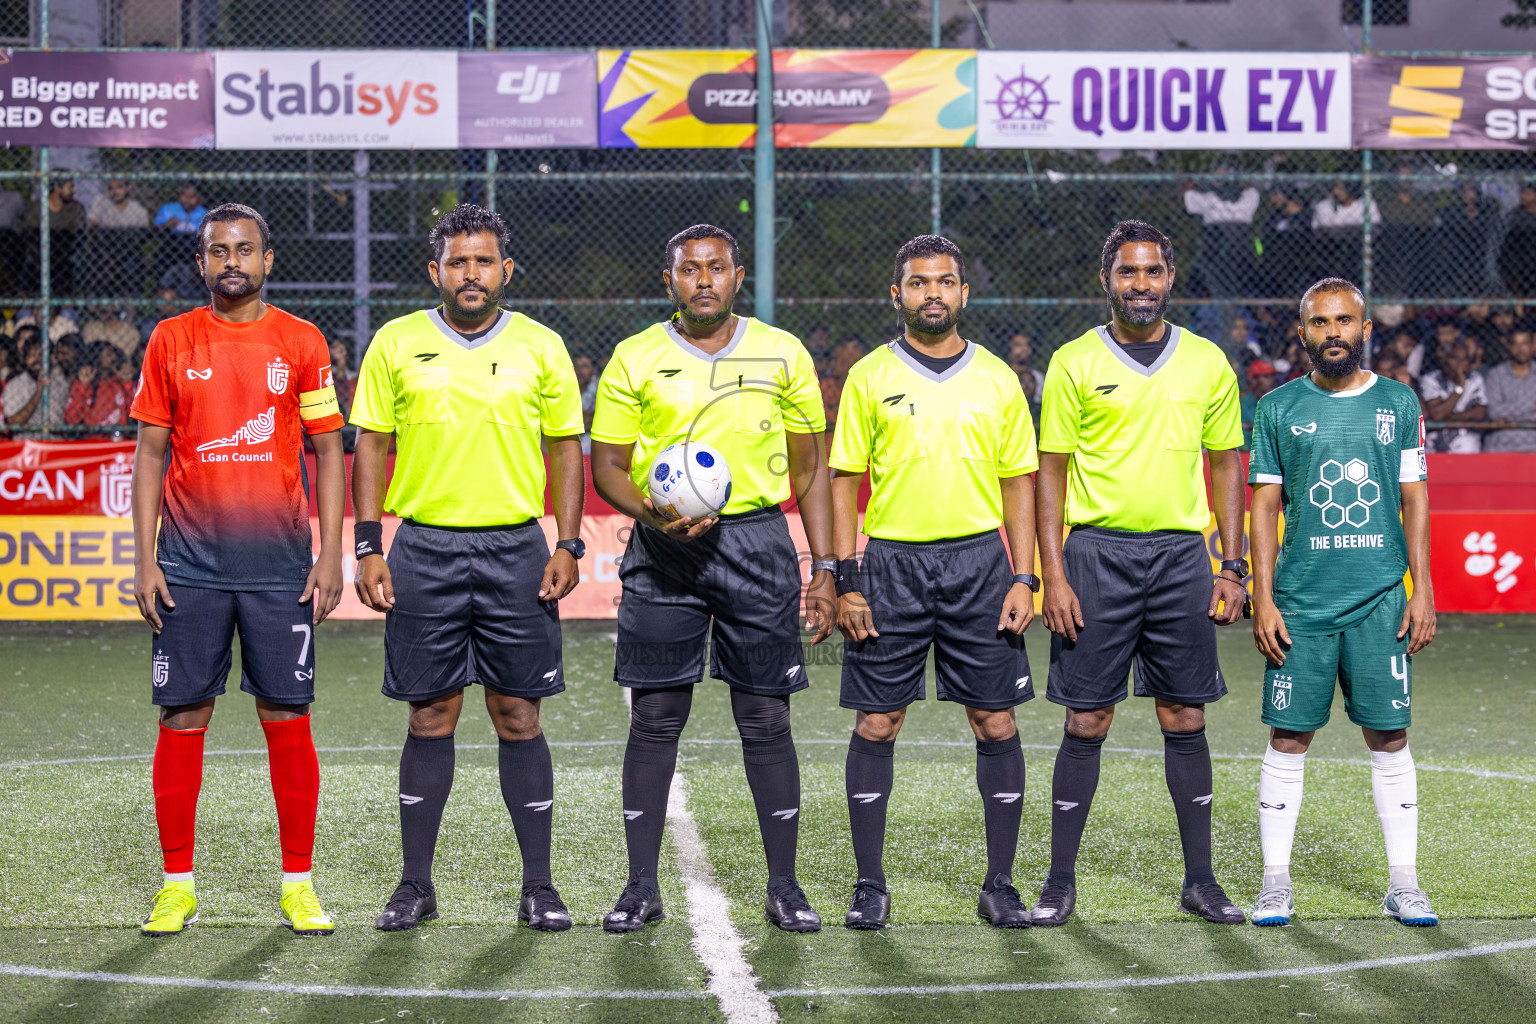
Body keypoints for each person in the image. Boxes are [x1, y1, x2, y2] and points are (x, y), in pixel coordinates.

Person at [589, 224, 835, 934]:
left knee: (765, 718)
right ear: (669, 279)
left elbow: (811, 472)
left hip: (755, 542)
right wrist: (654, 513)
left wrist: (824, 569)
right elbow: (608, 466)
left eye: (716, 268)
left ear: (737, 276)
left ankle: (784, 886)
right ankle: (640, 887)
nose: (703, 280)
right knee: (657, 716)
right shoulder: (635, 357)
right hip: (664, 551)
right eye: (689, 270)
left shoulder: (782, 352)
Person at [349, 205, 586, 934]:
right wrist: (368, 544)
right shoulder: (395, 343)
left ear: (505, 270)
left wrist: (568, 543)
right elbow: (370, 445)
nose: (471, 274)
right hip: (424, 549)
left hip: (517, 549)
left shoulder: (542, 348)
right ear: (436, 272)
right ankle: (415, 885)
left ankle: (538, 887)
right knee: (431, 713)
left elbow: (566, 450)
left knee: (518, 715)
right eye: (458, 262)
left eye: (484, 262)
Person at [129, 203, 347, 938]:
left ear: (268, 259)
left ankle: (298, 884)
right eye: (218, 250)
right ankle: (177, 885)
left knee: (286, 715)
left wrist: (328, 554)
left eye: (244, 250)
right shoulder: (171, 339)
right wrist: (144, 557)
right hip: (188, 565)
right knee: (183, 714)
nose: (232, 261)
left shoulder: (303, 341)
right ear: (201, 263)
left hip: (280, 566)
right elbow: (152, 452)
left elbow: (326, 449)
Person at [1032, 220, 1248, 927]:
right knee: (1087, 716)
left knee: (1184, 713)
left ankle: (1201, 880)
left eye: (1152, 271)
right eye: (1129, 272)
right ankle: (1060, 880)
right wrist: (1051, 574)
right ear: (1108, 281)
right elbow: (1051, 473)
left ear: (1170, 279)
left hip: (1184, 557)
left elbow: (1225, 465)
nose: (1142, 284)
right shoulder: (1072, 361)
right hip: (1096, 555)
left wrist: (1232, 565)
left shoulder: (1208, 362)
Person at [829, 236, 1039, 930]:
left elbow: (1020, 483)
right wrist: (845, 577)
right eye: (918, 283)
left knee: (996, 719)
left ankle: (1000, 884)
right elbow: (842, 481)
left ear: (964, 294)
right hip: (891, 565)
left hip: (980, 565)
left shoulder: (997, 379)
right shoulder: (867, 376)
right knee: (878, 721)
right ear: (898, 295)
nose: (932, 294)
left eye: (945, 282)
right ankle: (869, 885)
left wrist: (1024, 574)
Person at [1248, 278, 1438, 928]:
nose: (1334, 332)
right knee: (1289, 736)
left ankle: (1404, 884)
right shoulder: (1276, 408)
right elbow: (1265, 506)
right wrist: (1263, 597)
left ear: (1365, 328)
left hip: (1381, 602)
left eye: (1345, 321)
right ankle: (1276, 883)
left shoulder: (1398, 402)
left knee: (1389, 736)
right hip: (1300, 606)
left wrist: (1423, 588)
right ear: (1302, 332)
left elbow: (1415, 499)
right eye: (1321, 322)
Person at [1182, 175, 1260, 298]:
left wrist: (1198, 180)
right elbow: (1251, 188)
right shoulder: (1246, 202)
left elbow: (1186, 193)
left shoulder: (1210, 201)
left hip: (1222, 258)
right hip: (1232, 257)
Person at [1419, 340, 1488, 453]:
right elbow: (1437, 414)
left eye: (1465, 360)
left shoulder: (1475, 378)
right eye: (1455, 358)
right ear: (1445, 359)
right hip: (1435, 448)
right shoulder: (1431, 379)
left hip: (1468, 448)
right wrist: (1460, 387)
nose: (1460, 364)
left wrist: (1448, 418)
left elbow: (1480, 412)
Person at [87, 179, 151, 296]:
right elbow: (93, 222)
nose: (115, 191)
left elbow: (141, 235)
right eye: (111, 188)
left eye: (119, 187)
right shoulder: (102, 202)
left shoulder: (138, 210)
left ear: (128, 187)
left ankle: (131, 302)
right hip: (104, 248)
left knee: (133, 263)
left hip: (128, 251)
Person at [22, 178, 86, 295]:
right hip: (41, 251)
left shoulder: (76, 208)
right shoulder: (38, 207)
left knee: (77, 263)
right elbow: (28, 233)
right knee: (28, 263)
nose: (74, 190)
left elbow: (79, 236)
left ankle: (69, 298)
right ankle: (31, 298)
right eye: (70, 187)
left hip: (65, 252)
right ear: (57, 188)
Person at [1484, 328, 1536, 451]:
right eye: (1516, 344)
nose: (1520, 349)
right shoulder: (1495, 374)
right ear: (1509, 347)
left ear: (1533, 346)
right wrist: (1532, 408)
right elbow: (1494, 411)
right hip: (1501, 444)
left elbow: (1500, 411)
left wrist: (1507, 416)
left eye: (1525, 343)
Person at [1498, 184, 1536, 297]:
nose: (1523, 196)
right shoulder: (1514, 216)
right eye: (1522, 192)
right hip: (1520, 264)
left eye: (1528, 193)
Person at [1242, 359, 1279, 449]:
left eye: (1272, 376)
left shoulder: (1279, 399)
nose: (1271, 379)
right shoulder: (1244, 402)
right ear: (1254, 380)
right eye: (1266, 376)